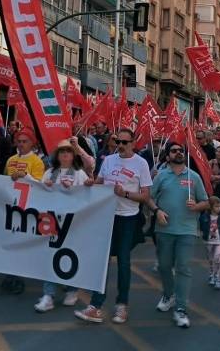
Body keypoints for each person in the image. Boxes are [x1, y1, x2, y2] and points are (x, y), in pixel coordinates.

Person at [75, 128, 152, 325]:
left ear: (133, 143)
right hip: (107, 216)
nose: (121, 145)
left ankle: (122, 305)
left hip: (128, 218)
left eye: (125, 142)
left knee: (124, 261)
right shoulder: (109, 160)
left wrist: (124, 193)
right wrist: (92, 183)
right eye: (118, 141)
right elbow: (100, 182)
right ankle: (95, 305)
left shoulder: (141, 163)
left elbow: (145, 196)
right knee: (102, 261)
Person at [150, 142, 208, 328]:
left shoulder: (193, 177)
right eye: (174, 151)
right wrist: (157, 211)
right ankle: (169, 295)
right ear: (167, 156)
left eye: (181, 151)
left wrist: (197, 206)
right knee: (164, 266)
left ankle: (181, 308)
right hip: (164, 230)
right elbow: (149, 197)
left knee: (183, 267)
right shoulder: (161, 176)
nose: (178, 153)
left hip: (186, 230)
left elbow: (206, 201)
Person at [34, 140, 93, 313]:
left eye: (68, 151)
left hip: (73, 223)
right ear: (57, 155)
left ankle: (72, 290)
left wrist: (84, 186)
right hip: (52, 221)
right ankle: (48, 295)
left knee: (70, 255)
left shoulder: (80, 174)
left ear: (73, 155)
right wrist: (46, 187)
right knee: (50, 255)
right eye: (62, 151)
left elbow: (88, 197)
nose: (65, 154)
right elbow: (39, 194)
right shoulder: (49, 173)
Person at [1, 128, 46, 294]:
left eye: (24, 141)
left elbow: (39, 185)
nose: (21, 144)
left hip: (27, 208)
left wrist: (25, 175)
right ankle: (9, 275)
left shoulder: (37, 162)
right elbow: (3, 180)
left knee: (21, 244)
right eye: (19, 141)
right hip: (9, 206)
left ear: (32, 143)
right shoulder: (11, 159)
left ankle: (18, 278)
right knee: (9, 242)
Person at [199, 196, 220, 290]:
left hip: (219, 241)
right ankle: (211, 274)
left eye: (219, 206)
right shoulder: (204, 217)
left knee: (218, 258)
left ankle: (217, 277)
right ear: (210, 207)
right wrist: (202, 234)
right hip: (208, 241)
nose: (219, 208)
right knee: (211, 259)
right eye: (216, 206)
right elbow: (201, 226)